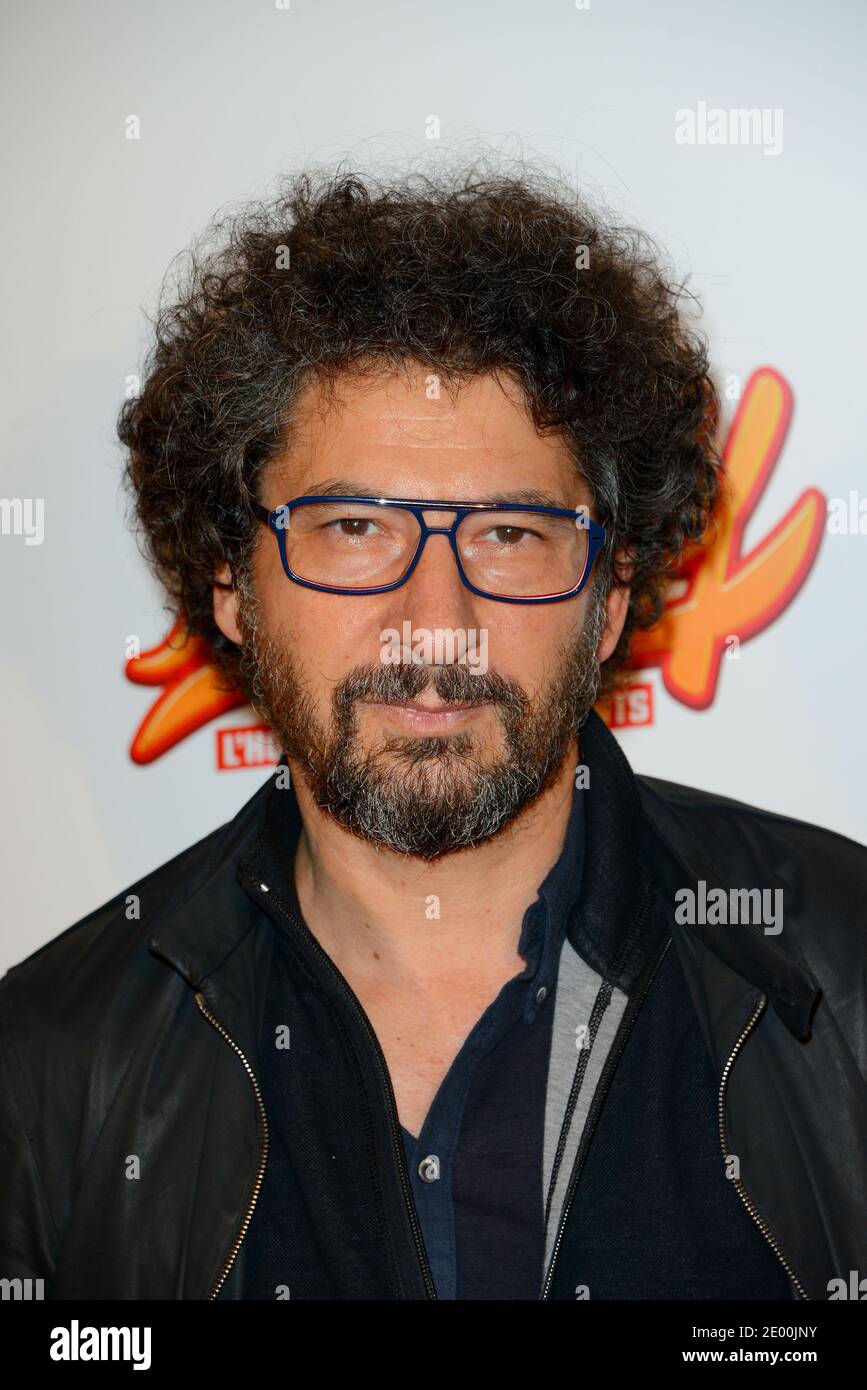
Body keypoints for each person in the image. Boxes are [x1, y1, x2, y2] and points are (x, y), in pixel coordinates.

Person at [2, 163, 865, 1301]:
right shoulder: (49, 1062)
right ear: (230, 585)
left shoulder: (842, 977)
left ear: (607, 602)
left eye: (510, 533)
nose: (437, 625)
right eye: (354, 527)